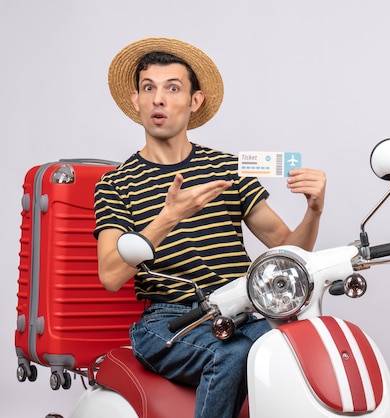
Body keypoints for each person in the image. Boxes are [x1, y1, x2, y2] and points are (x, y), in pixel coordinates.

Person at [94, 37, 326, 418]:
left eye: (173, 88)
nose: (158, 99)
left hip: (242, 308)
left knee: (295, 348)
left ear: (194, 101)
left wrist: (314, 211)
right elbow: (110, 274)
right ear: (135, 100)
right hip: (168, 321)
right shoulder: (117, 183)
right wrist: (169, 217)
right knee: (232, 355)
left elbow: (287, 248)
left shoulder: (227, 168)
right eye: (148, 88)